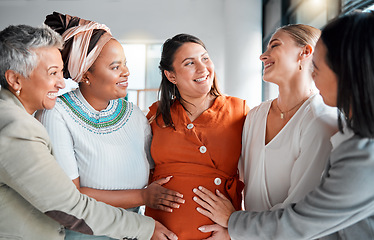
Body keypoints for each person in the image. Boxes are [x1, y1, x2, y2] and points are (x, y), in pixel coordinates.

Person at [193, 11, 374, 240]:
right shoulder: (255, 115)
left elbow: (300, 223)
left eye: (321, 61)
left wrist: (233, 224)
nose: (315, 67)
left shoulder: (354, 147)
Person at [0, 24, 177, 240]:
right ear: (15, 79)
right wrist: (145, 228)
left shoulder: (14, 117)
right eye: (52, 73)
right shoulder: (17, 127)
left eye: (60, 71)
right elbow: (69, 205)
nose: (62, 82)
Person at [145, 33, 249, 239]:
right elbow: (138, 172)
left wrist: (233, 230)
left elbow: (257, 178)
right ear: (171, 76)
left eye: (205, 58)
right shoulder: (155, 116)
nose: (203, 69)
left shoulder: (240, 111)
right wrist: (147, 226)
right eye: (189, 63)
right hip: (161, 233)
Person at [240, 24, 337, 212]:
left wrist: (234, 226)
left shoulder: (320, 120)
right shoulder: (254, 116)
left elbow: (298, 209)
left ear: (305, 52)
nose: (262, 56)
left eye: (274, 45)